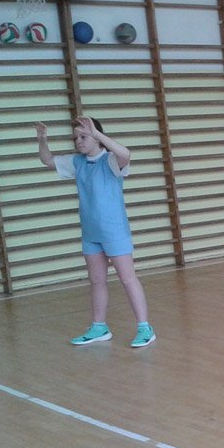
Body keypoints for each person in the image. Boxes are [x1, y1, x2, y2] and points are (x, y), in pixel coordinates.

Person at [34, 117, 155, 348]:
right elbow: (47, 160)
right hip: (91, 232)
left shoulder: (111, 160)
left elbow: (126, 154)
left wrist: (97, 134)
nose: (78, 141)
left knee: (127, 278)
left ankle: (144, 328)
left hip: (114, 231)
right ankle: (99, 327)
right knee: (97, 281)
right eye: (76, 137)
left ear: (97, 138)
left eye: (84, 136)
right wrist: (42, 139)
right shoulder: (77, 162)